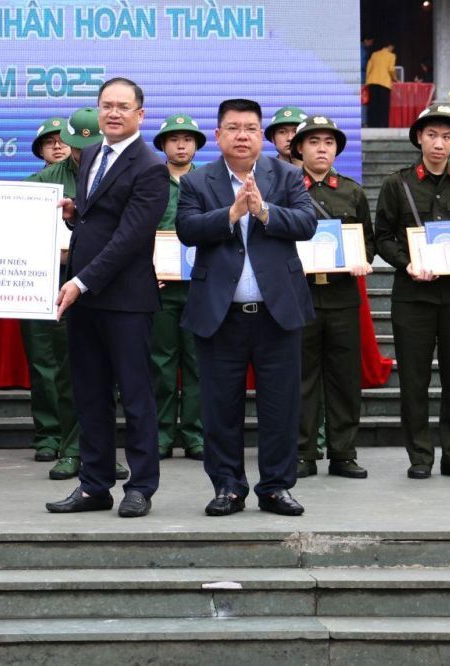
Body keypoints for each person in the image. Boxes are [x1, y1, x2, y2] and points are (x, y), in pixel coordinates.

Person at [177, 98, 317, 518]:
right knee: (220, 407)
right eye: (233, 128)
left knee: (280, 407)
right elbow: (187, 229)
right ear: (218, 135)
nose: (242, 136)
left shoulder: (286, 175)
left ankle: (275, 487)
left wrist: (263, 211)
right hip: (220, 315)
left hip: (277, 313)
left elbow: (307, 223)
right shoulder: (197, 181)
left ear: (262, 135)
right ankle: (227, 487)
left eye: (251, 128)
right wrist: (232, 213)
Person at [47, 78, 169, 519]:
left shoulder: (151, 167)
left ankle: (140, 486)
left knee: (136, 398)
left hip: (125, 301)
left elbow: (128, 239)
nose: (113, 113)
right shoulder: (93, 154)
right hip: (86, 300)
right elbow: (99, 218)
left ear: (140, 114)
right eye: (106, 105)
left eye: (123, 106)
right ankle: (94, 484)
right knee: (90, 395)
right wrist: (75, 213)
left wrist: (80, 282)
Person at [374, 103, 450, 480]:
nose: (439, 143)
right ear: (419, 138)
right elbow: (382, 237)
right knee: (414, 378)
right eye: (432, 135)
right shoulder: (397, 184)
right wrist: (406, 262)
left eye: (446, 136)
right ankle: (419, 455)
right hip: (413, 295)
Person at [292, 114, 374, 479]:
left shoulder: (352, 192)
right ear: (299, 148)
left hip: (342, 296)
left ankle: (343, 453)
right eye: (313, 142)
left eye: (328, 142)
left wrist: (361, 258)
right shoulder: (286, 189)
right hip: (301, 296)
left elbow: (367, 240)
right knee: (302, 379)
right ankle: (303, 452)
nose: (321, 149)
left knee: (344, 379)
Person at [23, 109, 100, 479]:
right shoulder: (40, 183)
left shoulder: (114, 175)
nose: (63, 148)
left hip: (100, 281)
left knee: (99, 368)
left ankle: (95, 446)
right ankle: (54, 437)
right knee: (50, 362)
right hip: (50, 280)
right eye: (52, 142)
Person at [150, 113, 204, 461]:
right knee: (161, 363)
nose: (181, 145)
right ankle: (161, 433)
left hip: (200, 286)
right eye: (173, 139)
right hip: (160, 287)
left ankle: (196, 434)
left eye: (187, 139)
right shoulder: (150, 182)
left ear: (196, 145)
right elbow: (139, 229)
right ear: (163, 145)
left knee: (199, 363)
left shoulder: (208, 181)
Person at [364, 43, 396, 128]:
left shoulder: (374, 54)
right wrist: (395, 78)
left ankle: (372, 124)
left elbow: (368, 68)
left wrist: (367, 80)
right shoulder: (391, 56)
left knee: (373, 105)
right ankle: (383, 125)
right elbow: (391, 69)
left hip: (372, 82)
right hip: (384, 83)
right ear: (390, 46)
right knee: (383, 106)